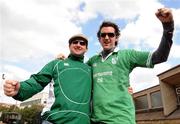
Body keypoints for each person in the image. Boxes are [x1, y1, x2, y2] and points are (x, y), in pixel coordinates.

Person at [87, 8, 174, 124]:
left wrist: (168, 26)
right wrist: (61, 60)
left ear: (116, 37)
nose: (107, 38)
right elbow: (77, 72)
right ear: (99, 39)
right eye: (103, 35)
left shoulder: (127, 55)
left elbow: (159, 57)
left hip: (121, 119)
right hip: (96, 120)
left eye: (111, 34)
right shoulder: (93, 61)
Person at [3, 34, 92, 124]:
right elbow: (38, 81)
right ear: (69, 46)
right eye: (75, 42)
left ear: (86, 49)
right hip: (56, 119)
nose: (78, 44)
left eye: (82, 43)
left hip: (83, 121)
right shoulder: (56, 64)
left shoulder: (90, 70)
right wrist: (20, 88)